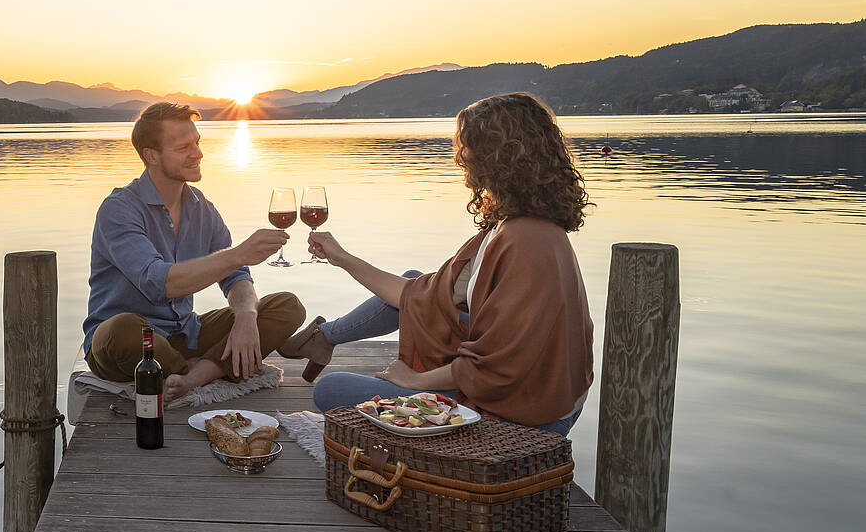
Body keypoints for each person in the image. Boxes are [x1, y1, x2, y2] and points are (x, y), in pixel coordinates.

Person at [281, 92, 594, 434]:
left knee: (333, 389)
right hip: (528, 386)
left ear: (497, 156)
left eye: (467, 146)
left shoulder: (526, 241)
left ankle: (324, 340)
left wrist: (417, 380)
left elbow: (500, 366)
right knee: (421, 287)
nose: (460, 157)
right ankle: (324, 338)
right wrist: (341, 258)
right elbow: (418, 294)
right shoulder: (515, 224)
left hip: (525, 411)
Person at [84, 103, 307, 403]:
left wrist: (245, 316)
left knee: (286, 306)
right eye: (183, 147)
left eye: (197, 143)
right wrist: (238, 254)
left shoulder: (202, 208)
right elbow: (159, 283)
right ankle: (210, 369)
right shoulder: (119, 209)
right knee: (121, 329)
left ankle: (193, 376)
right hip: (126, 342)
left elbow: (237, 276)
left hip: (186, 333)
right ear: (151, 155)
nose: (198, 153)